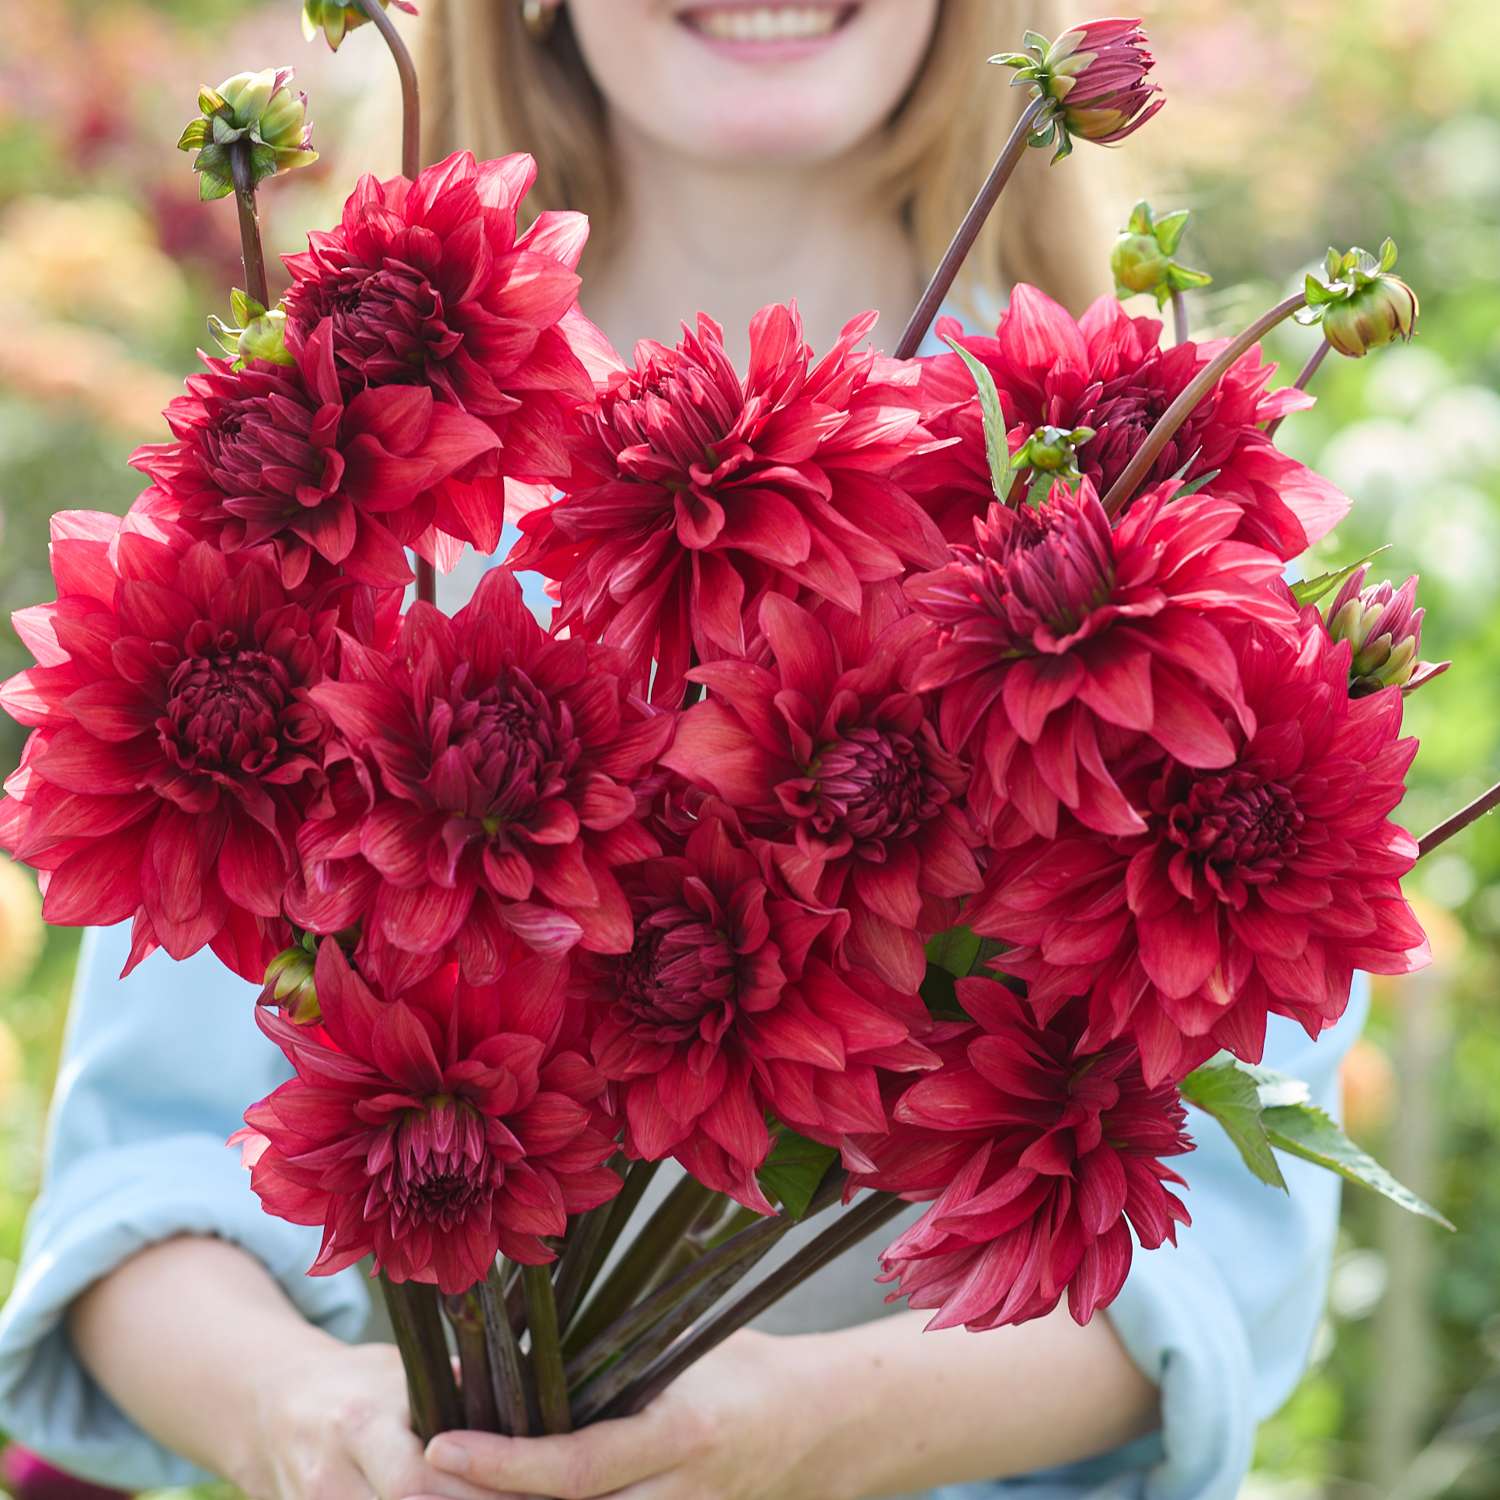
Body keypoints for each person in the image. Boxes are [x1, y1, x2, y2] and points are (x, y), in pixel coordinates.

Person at [0, 3, 1367, 1498]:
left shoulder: (1147, 497)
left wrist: (809, 1431)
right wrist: (310, 1418)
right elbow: (140, 1183)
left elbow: (1222, 1252)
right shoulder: (338, 481)